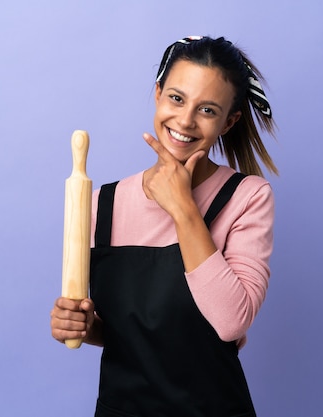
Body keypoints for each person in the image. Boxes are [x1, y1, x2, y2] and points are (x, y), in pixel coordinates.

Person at [50, 35, 277, 417]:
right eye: (176, 98)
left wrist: (183, 208)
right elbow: (133, 333)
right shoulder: (101, 204)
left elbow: (230, 322)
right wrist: (83, 326)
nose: (185, 120)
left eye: (207, 110)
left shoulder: (247, 198)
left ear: (229, 121)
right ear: (157, 93)